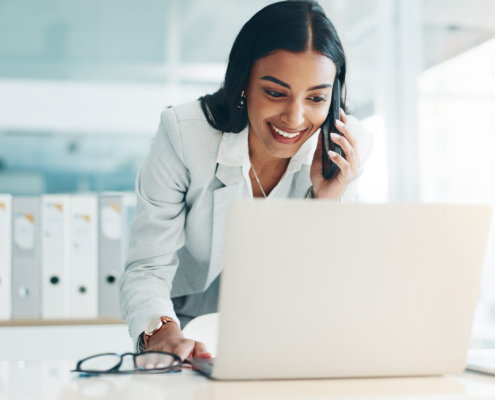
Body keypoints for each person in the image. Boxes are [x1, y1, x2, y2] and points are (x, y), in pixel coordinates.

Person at [119, 0, 373, 361]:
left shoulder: (345, 148)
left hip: (284, 323)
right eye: (275, 92)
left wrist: (327, 202)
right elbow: (148, 266)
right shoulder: (185, 136)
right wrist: (163, 335)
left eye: (316, 97)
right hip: (187, 318)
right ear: (243, 82)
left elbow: (335, 284)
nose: (295, 117)